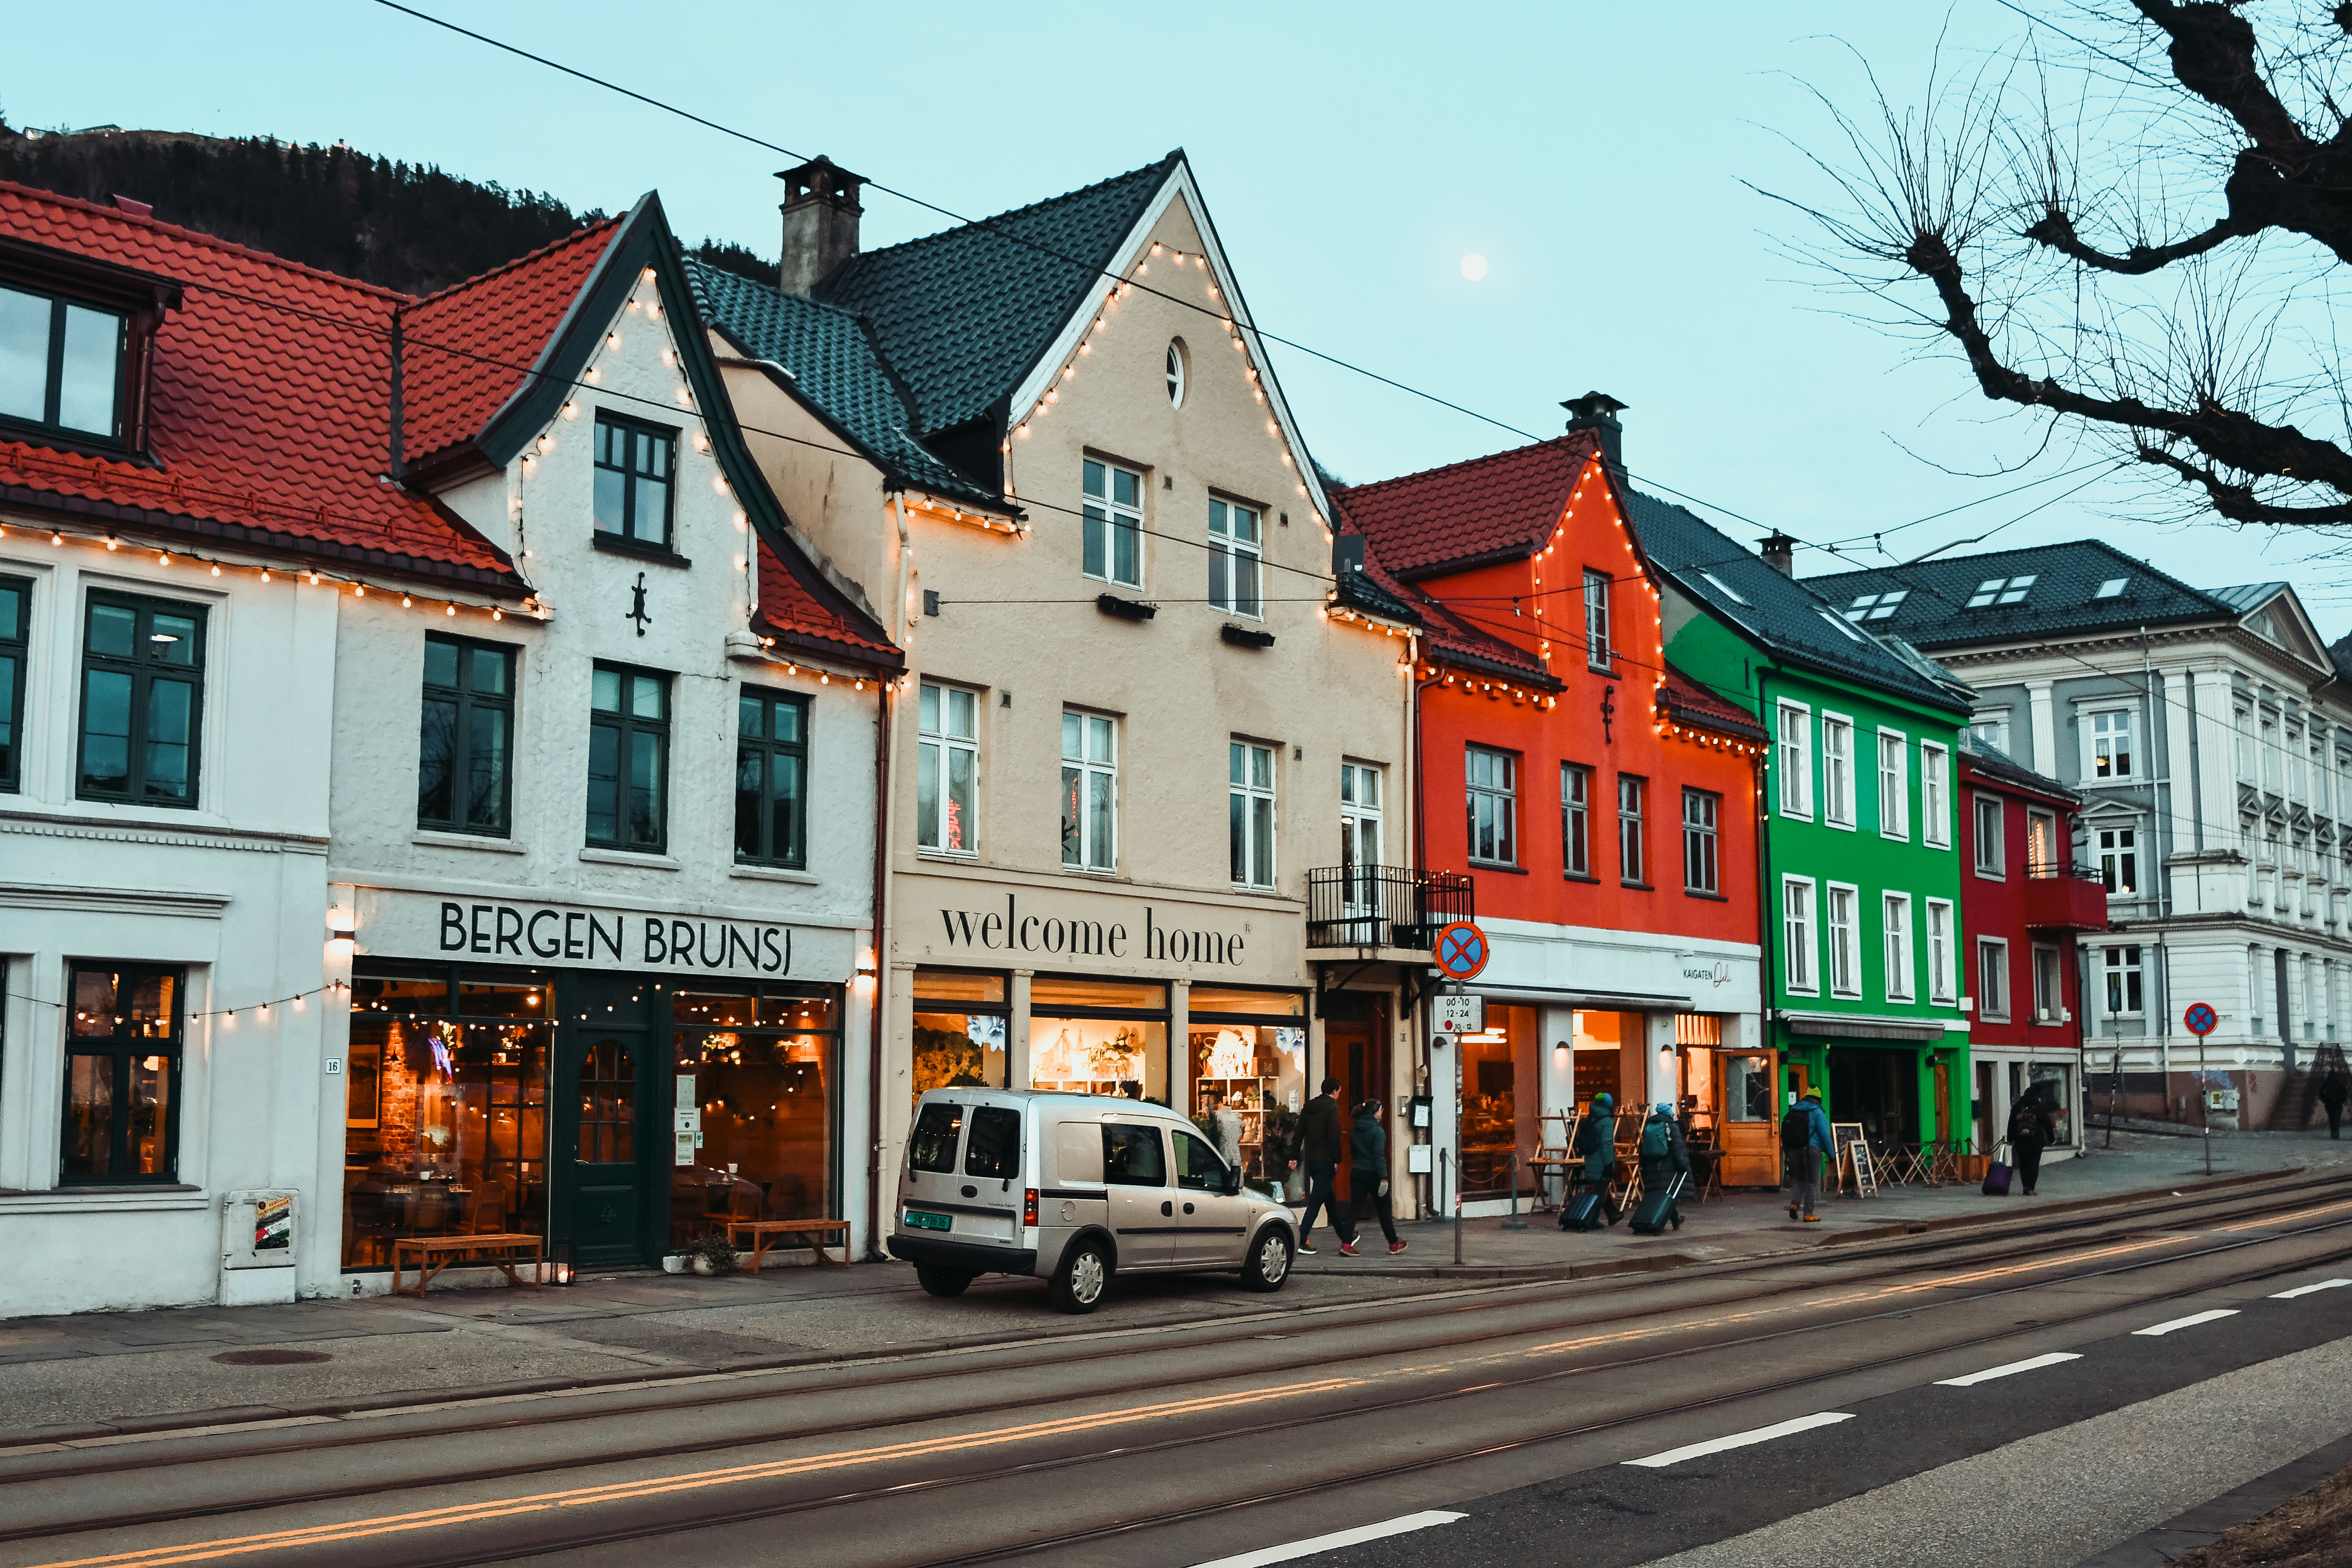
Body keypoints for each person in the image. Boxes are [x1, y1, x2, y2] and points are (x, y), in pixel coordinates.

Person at [1296, 1076, 1352, 1255]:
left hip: (1312, 1161)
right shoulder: (1332, 1107)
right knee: (1315, 1203)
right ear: (1334, 1091)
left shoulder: (1308, 1108)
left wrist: (1294, 1156)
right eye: (1339, 1092)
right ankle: (1300, 1239)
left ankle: (1346, 1237)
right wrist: (1337, 1159)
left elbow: (1299, 1134)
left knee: (1330, 1202)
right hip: (1326, 1161)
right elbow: (1334, 1136)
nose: (1339, 1095)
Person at [1346, 1098, 1405, 1255]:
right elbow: (1379, 1157)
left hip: (1358, 1171)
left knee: (1354, 1209)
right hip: (1374, 1174)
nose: (1382, 1112)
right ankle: (1393, 1244)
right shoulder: (1378, 1132)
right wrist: (1384, 1178)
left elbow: (1354, 1154)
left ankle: (1346, 1244)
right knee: (1384, 1210)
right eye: (1380, 1110)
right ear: (1375, 1112)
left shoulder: (1355, 1129)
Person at [1573, 1092, 1622, 1225]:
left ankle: (1613, 1214)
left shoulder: (1591, 1118)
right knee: (1599, 1192)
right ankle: (1590, 1220)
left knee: (1601, 1188)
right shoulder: (1607, 1121)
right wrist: (1609, 1164)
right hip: (1602, 1162)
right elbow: (1607, 1144)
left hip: (1591, 1160)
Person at [1784, 1091, 1831, 1222]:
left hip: (1793, 1150)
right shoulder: (1817, 1112)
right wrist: (1831, 1154)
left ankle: (1795, 1205)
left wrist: (1787, 1150)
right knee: (1811, 1182)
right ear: (1818, 1100)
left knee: (1798, 1180)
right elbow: (1824, 1135)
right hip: (1811, 1151)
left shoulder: (1794, 1110)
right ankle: (1808, 1214)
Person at [1639, 1102, 1690, 1211]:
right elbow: (1678, 1148)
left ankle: (1673, 1218)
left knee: (1658, 1196)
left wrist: (1643, 1166)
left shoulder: (1649, 1126)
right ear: (1669, 1113)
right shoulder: (1671, 1126)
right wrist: (1683, 1165)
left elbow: (1643, 1148)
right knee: (1669, 1195)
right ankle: (1664, 1218)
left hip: (1651, 1167)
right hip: (1668, 1167)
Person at [2007, 1086, 2056, 1197]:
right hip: (2036, 1140)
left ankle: (2025, 1187)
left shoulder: (2018, 1107)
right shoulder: (2039, 1107)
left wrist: (2010, 1138)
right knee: (2034, 1164)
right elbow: (2047, 1124)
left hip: (2020, 1141)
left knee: (2023, 1164)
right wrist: (2051, 1139)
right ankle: (2031, 1188)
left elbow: (2011, 1123)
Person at [2321, 1071, 2349, 1140]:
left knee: (2332, 1119)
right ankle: (2336, 1132)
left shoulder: (2326, 1084)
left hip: (2330, 1104)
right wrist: (2342, 1100)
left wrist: (2325, 1100)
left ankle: (2334, 1132)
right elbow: (2345, 1093)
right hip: (2337, 1104)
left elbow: (2321, 1093)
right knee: (2336, 1119)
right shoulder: (2339, 1084)